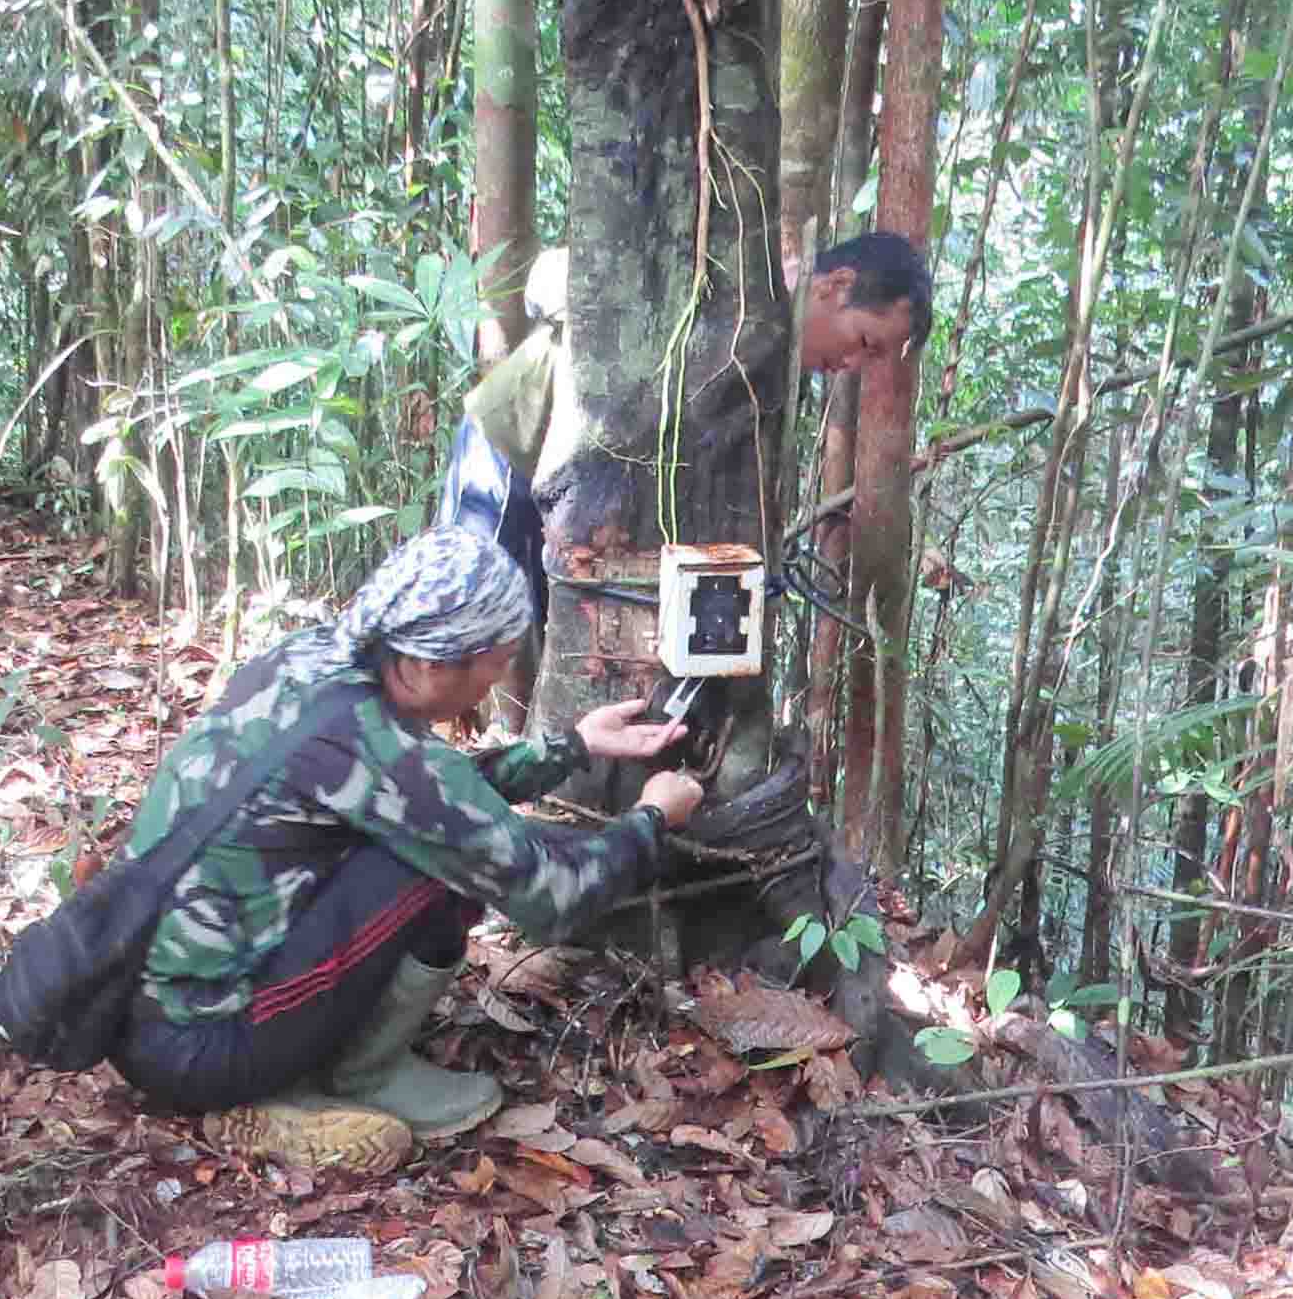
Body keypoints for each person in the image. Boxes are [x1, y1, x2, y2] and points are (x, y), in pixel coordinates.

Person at [108, 527, 705, 1173]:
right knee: (440, 871)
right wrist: (651, 818)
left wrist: (571, 747)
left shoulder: (308, 664)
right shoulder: (391, 752)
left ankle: (300, 1067)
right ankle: (346, 1080)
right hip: (202, 1045)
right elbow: (555, 900)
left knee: (433, 843)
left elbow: (411, 792)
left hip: (135, 1008)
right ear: (426, 664)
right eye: (496, 661)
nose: (499, 678)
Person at [440, 231, 935, 724]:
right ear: (835, 285)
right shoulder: (735, 280)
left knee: (556, 645)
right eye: (864, 342)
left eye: (869, 360)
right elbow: (551, 274)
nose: (850, 365)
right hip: (515, 441)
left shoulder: (780, 365)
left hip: (587, 500)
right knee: (460, 622)